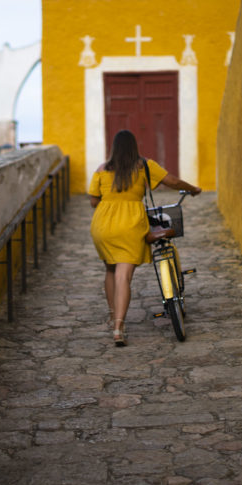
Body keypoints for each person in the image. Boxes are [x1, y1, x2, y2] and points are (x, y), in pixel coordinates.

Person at [88, 129, 201, 346]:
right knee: (124, 276)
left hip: (103, 226)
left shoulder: (102, 169)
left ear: (114, 148)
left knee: (110, 269)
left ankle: (114, 318)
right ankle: (119, 328)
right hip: (130, 225)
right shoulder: (145, 165)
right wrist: (193, 189)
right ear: (134, 147)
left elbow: (94, 201)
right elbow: (173, 181)